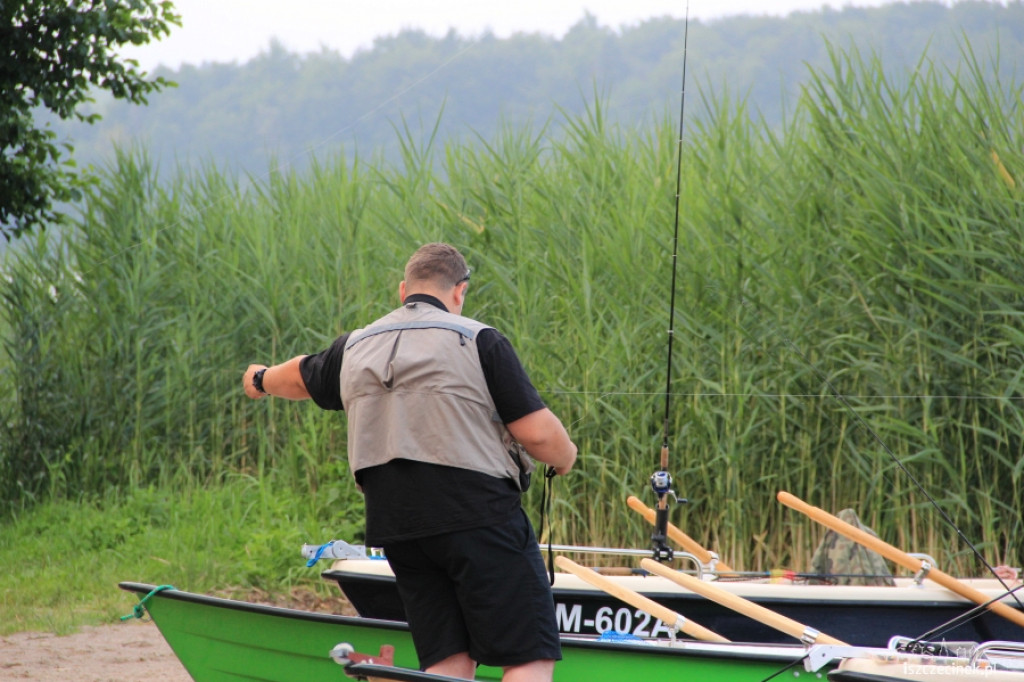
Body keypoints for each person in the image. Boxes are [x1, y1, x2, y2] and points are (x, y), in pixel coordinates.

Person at [242, 242, 578, 682]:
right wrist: (566, 457)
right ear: (459, 291)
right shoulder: (479, 339)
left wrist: (260, 379)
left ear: (404, 290)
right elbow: (537, 435)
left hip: (398, 527)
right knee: (528, 656)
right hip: (478, 517)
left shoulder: (355, 345)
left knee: (447, 662)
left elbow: (300, 374)